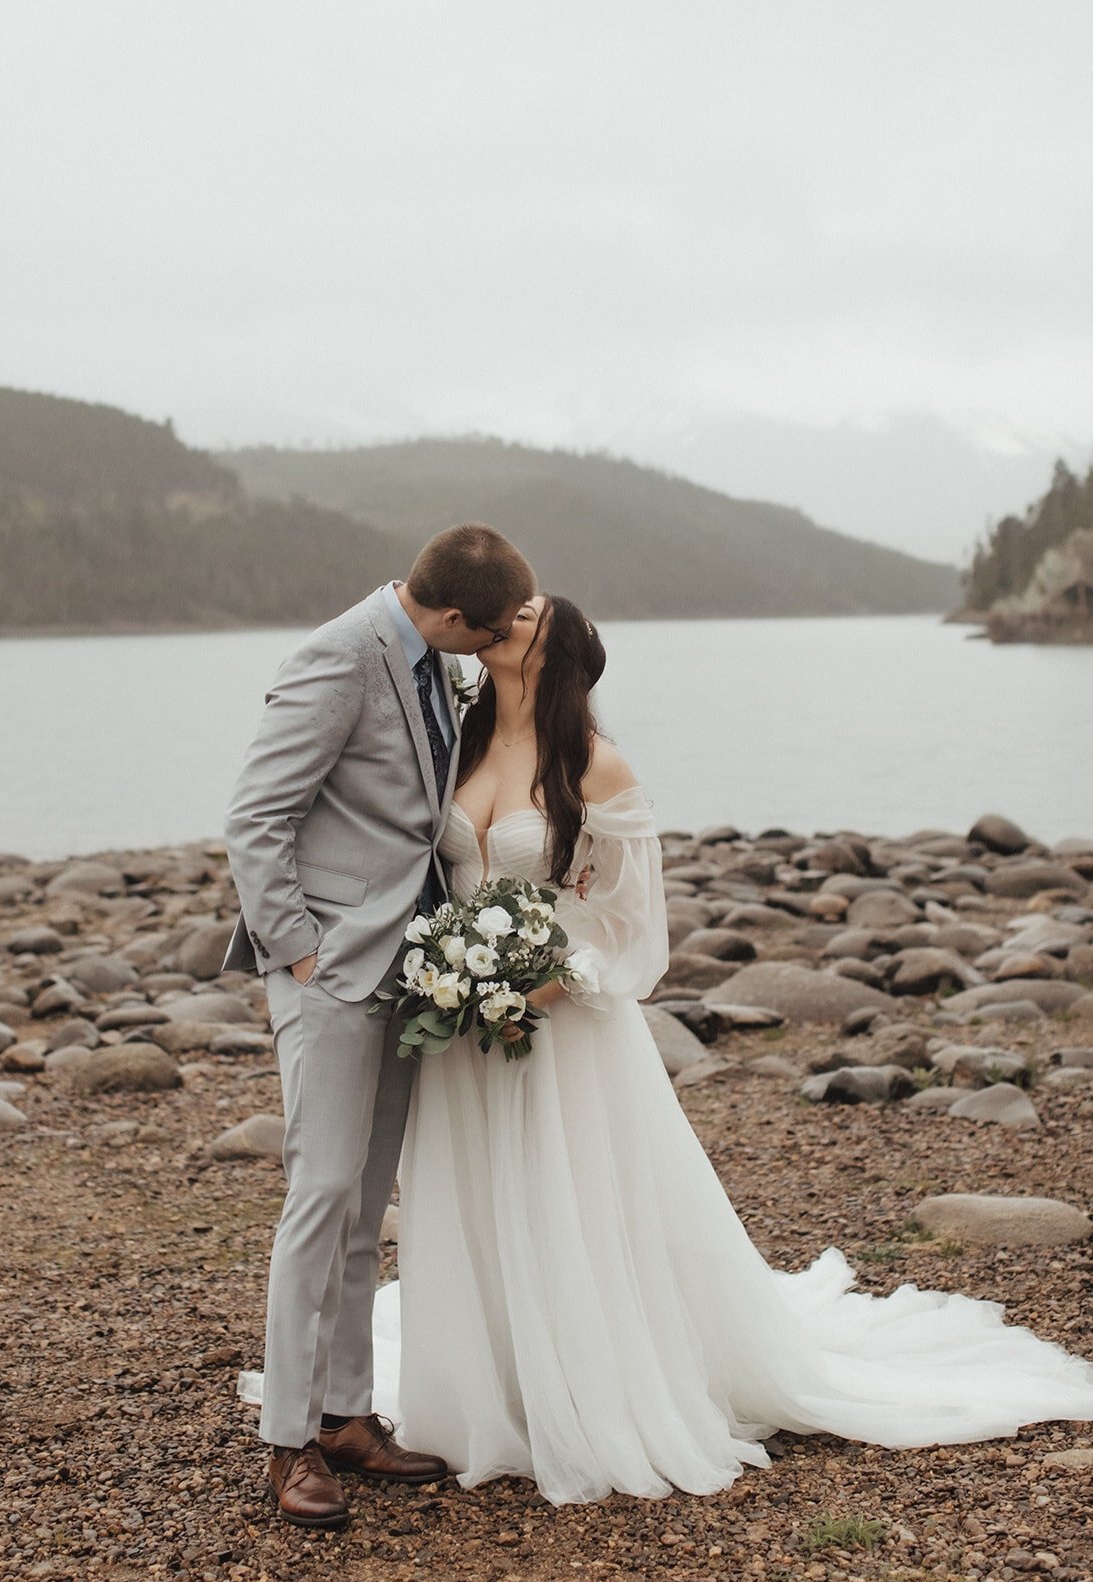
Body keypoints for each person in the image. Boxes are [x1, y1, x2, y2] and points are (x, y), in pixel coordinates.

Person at [368, 593, 1093, 1507]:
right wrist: (451, 980)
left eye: (527, 615)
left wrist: (532, 987)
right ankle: (492, 1385)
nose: (507, 615)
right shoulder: (460, 747)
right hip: (465, 1029)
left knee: (570, 1199)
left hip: (556, 1028)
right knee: (482, 1195)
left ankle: (591, 1389)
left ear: (554, 655)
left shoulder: (593, 763)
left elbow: (634, 934)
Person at [224, 525, 537, 1528]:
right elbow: (256, 816)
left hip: (405, 976)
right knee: (318, 1199)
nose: (480, 655)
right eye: (478, 638)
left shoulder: (424, 659)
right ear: (450, 618)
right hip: (330, 976)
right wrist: (299, 951)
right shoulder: (336, 656)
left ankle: (347, 1413)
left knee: (366, 1210)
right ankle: (286, 1443)